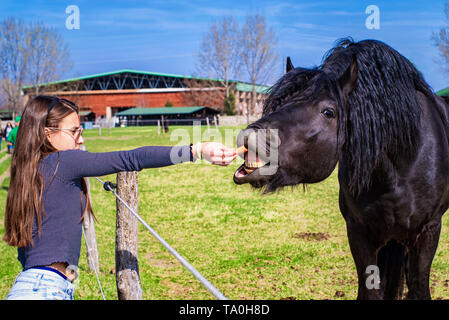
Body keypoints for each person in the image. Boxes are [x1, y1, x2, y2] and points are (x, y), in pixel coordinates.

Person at [3, 95, 237, 300]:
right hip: (46, 290)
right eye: (74, 131)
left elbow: (26, 254)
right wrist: (196, 150)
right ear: (48, 134)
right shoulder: (63, 162)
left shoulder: (27, 174)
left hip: (30, 286)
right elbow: (131, 158)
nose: (81, 139)